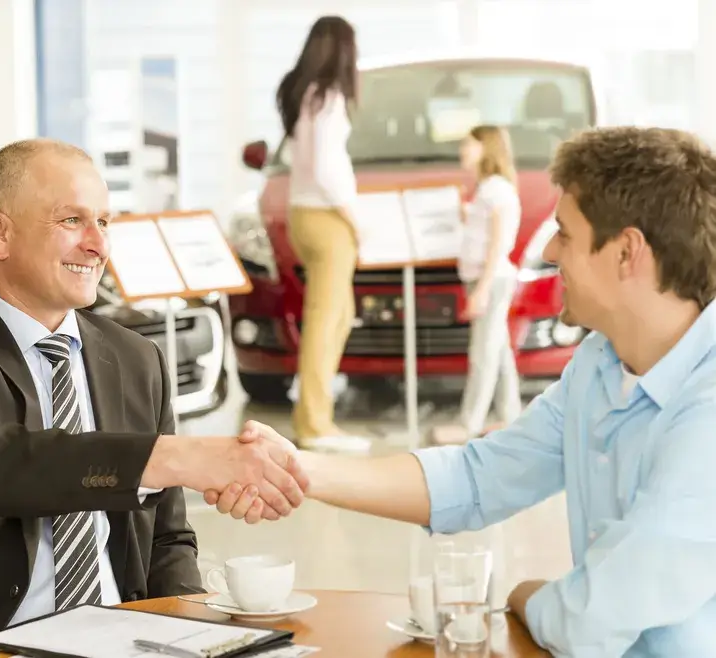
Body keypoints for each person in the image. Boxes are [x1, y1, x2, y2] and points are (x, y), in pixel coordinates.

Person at [209, 126, 716, 656]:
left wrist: (525, 596)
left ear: (626, 252)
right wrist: (296, 468)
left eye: (564, 233)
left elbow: (591, 616)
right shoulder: (598, 364)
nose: (547, 250)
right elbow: (479, 477)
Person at [0, 139, 309, 657]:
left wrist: (195, 636)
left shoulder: (135, 358)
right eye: (71, 221)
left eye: (105, 222)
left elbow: (166, 540)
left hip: (126, 639)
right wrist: (177, 457)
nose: (98, 245)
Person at [277, 15, 361, 446]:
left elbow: (298, 159)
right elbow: (328, 167)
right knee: (327, 320)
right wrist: (352, 215)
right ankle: (314, 423)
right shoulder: (328, 97)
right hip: (327, 217)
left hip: (303, 213)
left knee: (337, 315)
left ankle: (315, 414)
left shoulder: (306, 94)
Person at [454, 125, 523, 439]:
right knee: (499, 351)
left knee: (483, 353)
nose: (462, 151)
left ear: (487, 148)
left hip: (491, 281)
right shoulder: (487, 189)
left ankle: (468, 423)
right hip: (486, 279)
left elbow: (497, 245)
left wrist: (481, 289)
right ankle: (513, 416)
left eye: (469, 145)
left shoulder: (496, 190)